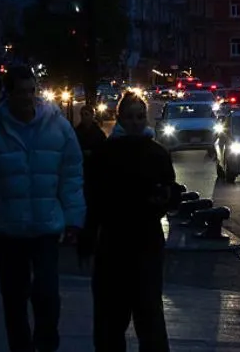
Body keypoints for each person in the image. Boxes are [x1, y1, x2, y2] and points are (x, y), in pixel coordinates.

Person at [0, 64, 86, 352]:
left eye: (32, 91)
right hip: (9, 229)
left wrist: (74, 221)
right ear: (9, 95)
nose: (28, 98)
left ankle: (45, 342)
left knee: (47, 294)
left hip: (45, 227)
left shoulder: (59, 128)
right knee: (14, 298)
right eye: (22, 92)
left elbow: (71, 178)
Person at [78, 92, 179, 352]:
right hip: (114, 244)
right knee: (114, 319)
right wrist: (87, 241)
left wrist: (166, 196)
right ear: (120, 118)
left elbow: (170, 190)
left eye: (140, 117)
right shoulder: (105, 154)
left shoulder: (157, 154)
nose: (135, 122)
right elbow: (94, 201)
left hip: (144, 243)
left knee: (148, 317)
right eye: (130, 117)